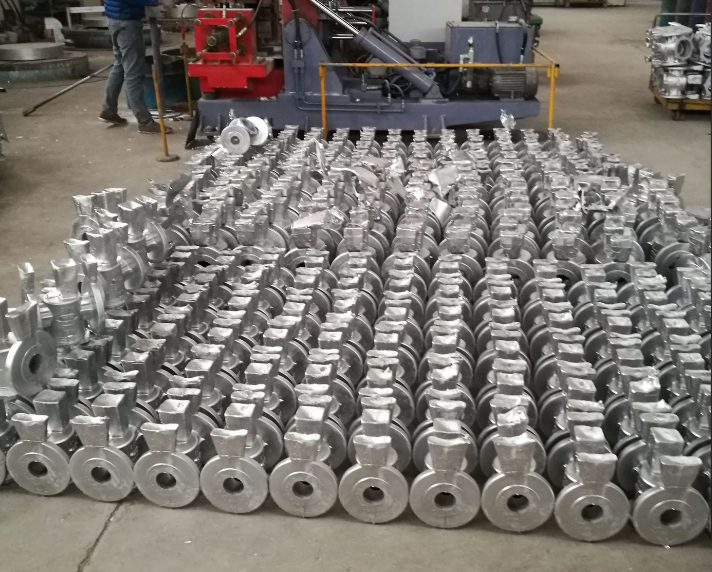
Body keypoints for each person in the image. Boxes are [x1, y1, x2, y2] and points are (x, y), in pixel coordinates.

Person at [100, 0, 174, 134]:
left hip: (114, 18)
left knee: (120, 65)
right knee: (133, 73)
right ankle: (144, 121)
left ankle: (109, 110)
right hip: (127, 22)